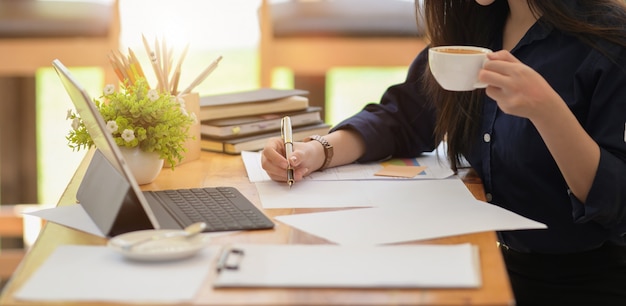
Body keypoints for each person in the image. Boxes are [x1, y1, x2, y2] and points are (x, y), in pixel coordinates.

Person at [261, 0, 626, 304]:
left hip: (582, 285)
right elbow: (402, 116)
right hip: (480, 262)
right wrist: (315, 152)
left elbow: (616, 199)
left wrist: (546, 110)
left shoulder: (608, 41)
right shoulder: (475, 27)